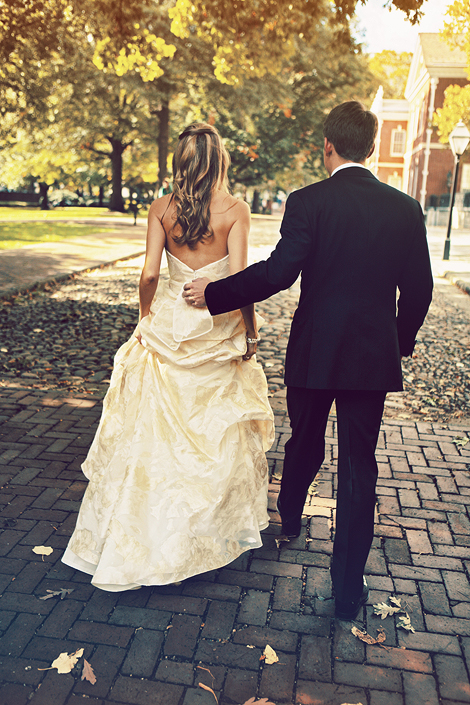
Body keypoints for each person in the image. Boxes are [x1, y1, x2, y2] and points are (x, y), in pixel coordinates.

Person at [183, 102, 433, 620]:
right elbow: (420, 289)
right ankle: (347, 591)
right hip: (370, 356)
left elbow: (278, 274)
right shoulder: (406, 209)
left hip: (316, 348)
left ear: (328, 146)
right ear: (369, 146)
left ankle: (290, 514)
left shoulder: (308, 201)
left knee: (306, 439)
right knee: (360, 466)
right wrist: (400, 340)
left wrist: (214, 292)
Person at [62, 123, 274, 591]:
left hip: (167, 329)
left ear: (180, 162)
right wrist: (251, 334)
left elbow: (149, 276)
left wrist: (145, 317)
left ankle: (149, 533)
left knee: (152, 440)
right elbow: (240, 280)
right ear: (219, 160)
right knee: (215, 437)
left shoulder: (161, 210)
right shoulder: (236, 211)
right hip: (217, 331)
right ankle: (202, 535)